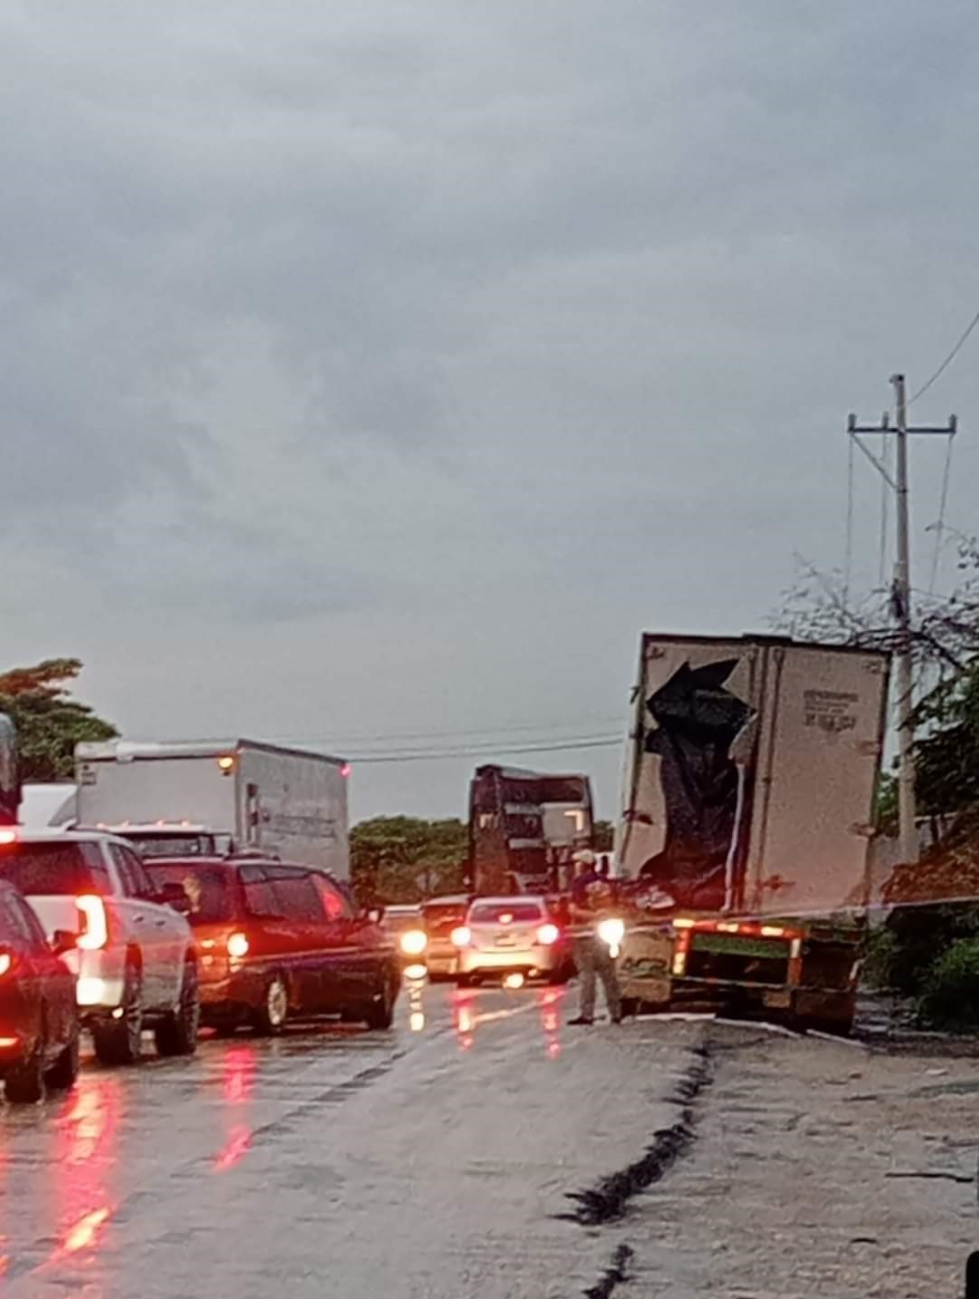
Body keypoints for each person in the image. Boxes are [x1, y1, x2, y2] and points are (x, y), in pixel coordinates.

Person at [567, 850, 622, 1026]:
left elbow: (573, 909)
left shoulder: (578, 883)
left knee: (587, 975)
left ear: (582, 865)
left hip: (584, 933)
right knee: (609, 974)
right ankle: (616, 1012)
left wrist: (590, 916)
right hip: (606, 934)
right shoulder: (606, 882)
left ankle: (587, 1014)